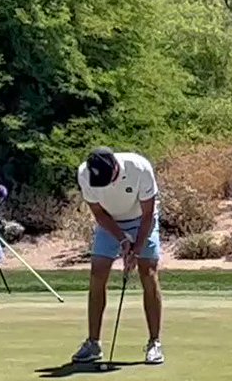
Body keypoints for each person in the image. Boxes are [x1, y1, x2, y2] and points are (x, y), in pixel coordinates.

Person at [71, 147, 165, 365]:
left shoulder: (139, 167)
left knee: (148, 271)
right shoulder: (85, 173)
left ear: (115, 167)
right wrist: (122, 240)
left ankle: (154, 342)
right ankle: (93, 343)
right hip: (109, 223)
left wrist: (136, 250)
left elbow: (148, 214)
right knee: (98, 272)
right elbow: (99, 213)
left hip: (142, 220)